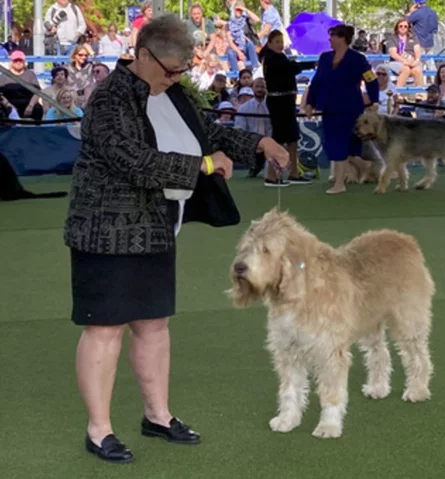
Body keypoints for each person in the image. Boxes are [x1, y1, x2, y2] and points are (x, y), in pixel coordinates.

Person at [63, 14, 289, 464]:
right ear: (143, 54)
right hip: (106, 231)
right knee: (104, 329)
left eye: (183, 70)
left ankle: (158, 416)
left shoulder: (173, 91)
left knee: (154, 324)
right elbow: (136, 161)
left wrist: (257, 145)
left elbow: (206, 133)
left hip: (156, 227)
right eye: (169, 69)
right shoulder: (110, 99)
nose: (176, 78)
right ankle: (99, 429)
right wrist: (205, 167)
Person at [304, 24, 379, 194]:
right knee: (334, 143)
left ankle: (339, 183)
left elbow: (371, 79)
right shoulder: (324, 58)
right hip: (330, 107)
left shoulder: (357, 58)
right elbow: (316, 83)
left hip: (350, 107)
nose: (330, 39)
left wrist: (373, 99)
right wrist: (310, 103)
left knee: (343, 144)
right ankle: (364, 167)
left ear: (342, 38)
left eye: (333, 36)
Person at [260, 29, 316, 186]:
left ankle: (293, 172)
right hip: (279, 103)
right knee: (279, 139)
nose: (280, 45)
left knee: (292, 138)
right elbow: (291, 68)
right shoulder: (271, 59)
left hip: (286, 102)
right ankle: (272, 175)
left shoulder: (279, 57)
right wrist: (311, 64)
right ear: (270, 43)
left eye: (281, 41)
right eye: (276, 42)